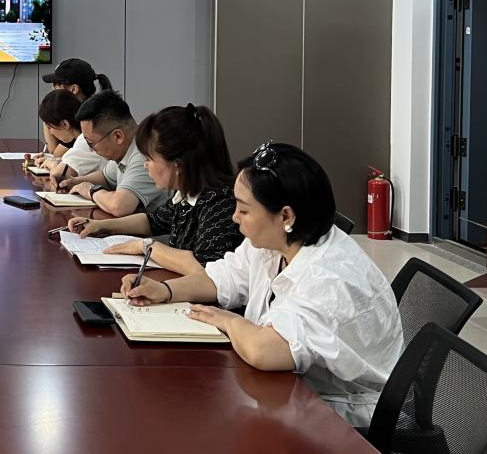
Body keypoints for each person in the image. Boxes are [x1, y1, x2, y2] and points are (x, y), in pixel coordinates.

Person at [120, 141, 403, 427]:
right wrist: (165, 290)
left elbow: (265, 351)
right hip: (293, 390)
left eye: (244, 210)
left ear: (286, 216)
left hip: (343, 418)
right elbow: (222, 277)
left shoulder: (330, 278)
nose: (234, 217)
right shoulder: (277, 241)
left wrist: (228, 321)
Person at [67, 104, 242, 274]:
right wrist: (99, 226)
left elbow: (205, 267)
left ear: (178, 165)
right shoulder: (187, 194)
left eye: (149, 159)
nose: (145, 165)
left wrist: (145, 246)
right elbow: (152, 222)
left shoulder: (219, 201)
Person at [57, 89, 166, 217]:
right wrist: (73, 182)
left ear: (117, 136)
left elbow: (120, 206)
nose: (91, 150)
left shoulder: (145, 154)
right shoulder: (126, 148)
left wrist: (91, 191)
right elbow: (106, 178)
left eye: (91, 143)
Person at [39, 58, 113, 179]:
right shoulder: (92, 112)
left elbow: (57, 159)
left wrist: (50, 109)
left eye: (56, 85)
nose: (52, 89)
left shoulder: (89, 128)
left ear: (74, 89)